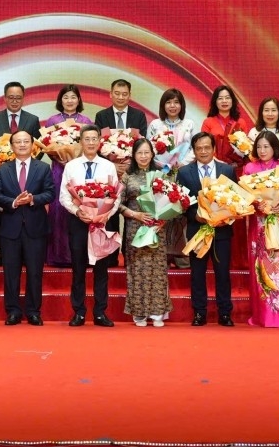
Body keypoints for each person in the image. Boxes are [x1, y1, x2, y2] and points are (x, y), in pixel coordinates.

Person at [0, 129, 54, 326]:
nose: (22, 144)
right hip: (10, 227)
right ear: (11, 146)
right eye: (18, 142)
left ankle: (33, 311)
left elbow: (50, 193)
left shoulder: (43, 168)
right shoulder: (3, 169)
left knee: (35, 272)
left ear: (33, 145)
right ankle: (13, 311)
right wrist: (14, 202)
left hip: (36, 227)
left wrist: (33, 199)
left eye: (26, 141)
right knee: (11, 272)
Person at [59, 125, 121, 327]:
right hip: (79, 222)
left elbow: (116, 196)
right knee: (78, 269)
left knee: (101, 270)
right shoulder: (71, 166)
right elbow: (64, 196)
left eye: (95, 139)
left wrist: (106, 214)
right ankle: (79, 312)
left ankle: (100, 312)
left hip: (101, 223)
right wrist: (78, 212)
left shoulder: (108, 166)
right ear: (81, 142)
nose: (91, 142)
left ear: (100, 141)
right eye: (87, 139)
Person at [177, 132, 237, 326]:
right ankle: (199, 313)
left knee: (222, 273)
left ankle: (225, 313)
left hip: (221, 231)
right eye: (199, 148)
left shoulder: (227, 170)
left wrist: (225, 218)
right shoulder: (184, 172)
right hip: (197, 230)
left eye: (206, 147)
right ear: (194, 151)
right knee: (197, 273)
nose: (203, 151)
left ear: (213, 149)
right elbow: (181, 203)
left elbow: (236, 200)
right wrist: (194, 215)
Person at [0, 82, 42, 266]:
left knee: (26, 216)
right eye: (11, 97)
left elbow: (39, 147)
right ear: (5, 98)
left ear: (23, 98)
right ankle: (1, 254)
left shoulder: (32, 120)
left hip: (26, 177)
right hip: (2, 178)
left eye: (18, 98)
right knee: (1, 216)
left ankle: (25, 255)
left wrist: (28, 164)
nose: (15, 101)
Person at [241, 130, 279, 328]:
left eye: (266, 146)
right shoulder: (249, 168)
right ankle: (262, 316)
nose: (262, 150)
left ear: (275, 148)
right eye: (259, 147)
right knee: (261, 265)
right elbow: (245, 195)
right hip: (258, 222)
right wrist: (258, 204)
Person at [118, 138, 171, 326]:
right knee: (137, 270)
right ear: (134, 155)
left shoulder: (162, 175)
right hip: (135, 228)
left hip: (157, 228)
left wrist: (163, 219)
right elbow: (118, 204)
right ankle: (139, 313)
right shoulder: (127, 176)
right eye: (139, 153)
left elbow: (173, 200)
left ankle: (157, 313)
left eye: (146, 152)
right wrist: (135, 214)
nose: (143, 156)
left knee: (157, 270)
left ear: (152, 154)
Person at [200, 86, 251, 268]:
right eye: (220, 98)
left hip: (234, 172)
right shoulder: (208, 122)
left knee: (235, 215)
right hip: (214, 173)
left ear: (233, 101)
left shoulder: (241, 122)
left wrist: (237, 160)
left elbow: (246, 149)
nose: (224, 101)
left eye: (227, 97)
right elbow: (204, 146)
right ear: (215, 101)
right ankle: (211, 258)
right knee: (214, 213)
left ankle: (237, 260)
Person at [146, 88, 196, 268]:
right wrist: (163, 165)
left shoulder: (189, 124)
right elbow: (148, 149)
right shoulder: (155, 125)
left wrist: (182, 163)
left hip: (183, 172)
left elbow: (194, 148)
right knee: (161, 212)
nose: (172, 106)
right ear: (163, 105)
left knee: (181, 212)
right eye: (168, 102)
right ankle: (163, 254)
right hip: (162, 173)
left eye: (176, 102)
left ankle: (181, 255)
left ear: (181, 105)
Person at [43, 85, 93, 268]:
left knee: (80, 206)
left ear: (79, 100)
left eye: (73, 97)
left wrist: (75, 158)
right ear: (60, 100)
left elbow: (91, 146)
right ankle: (58, 255)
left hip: (80, 170)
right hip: (59, 169)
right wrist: (60, 157)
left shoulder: (86, 121)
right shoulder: (52, 121)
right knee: (59, 208)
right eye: (66, 97)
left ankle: (79, 255)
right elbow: (47, 146)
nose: (70, 101)